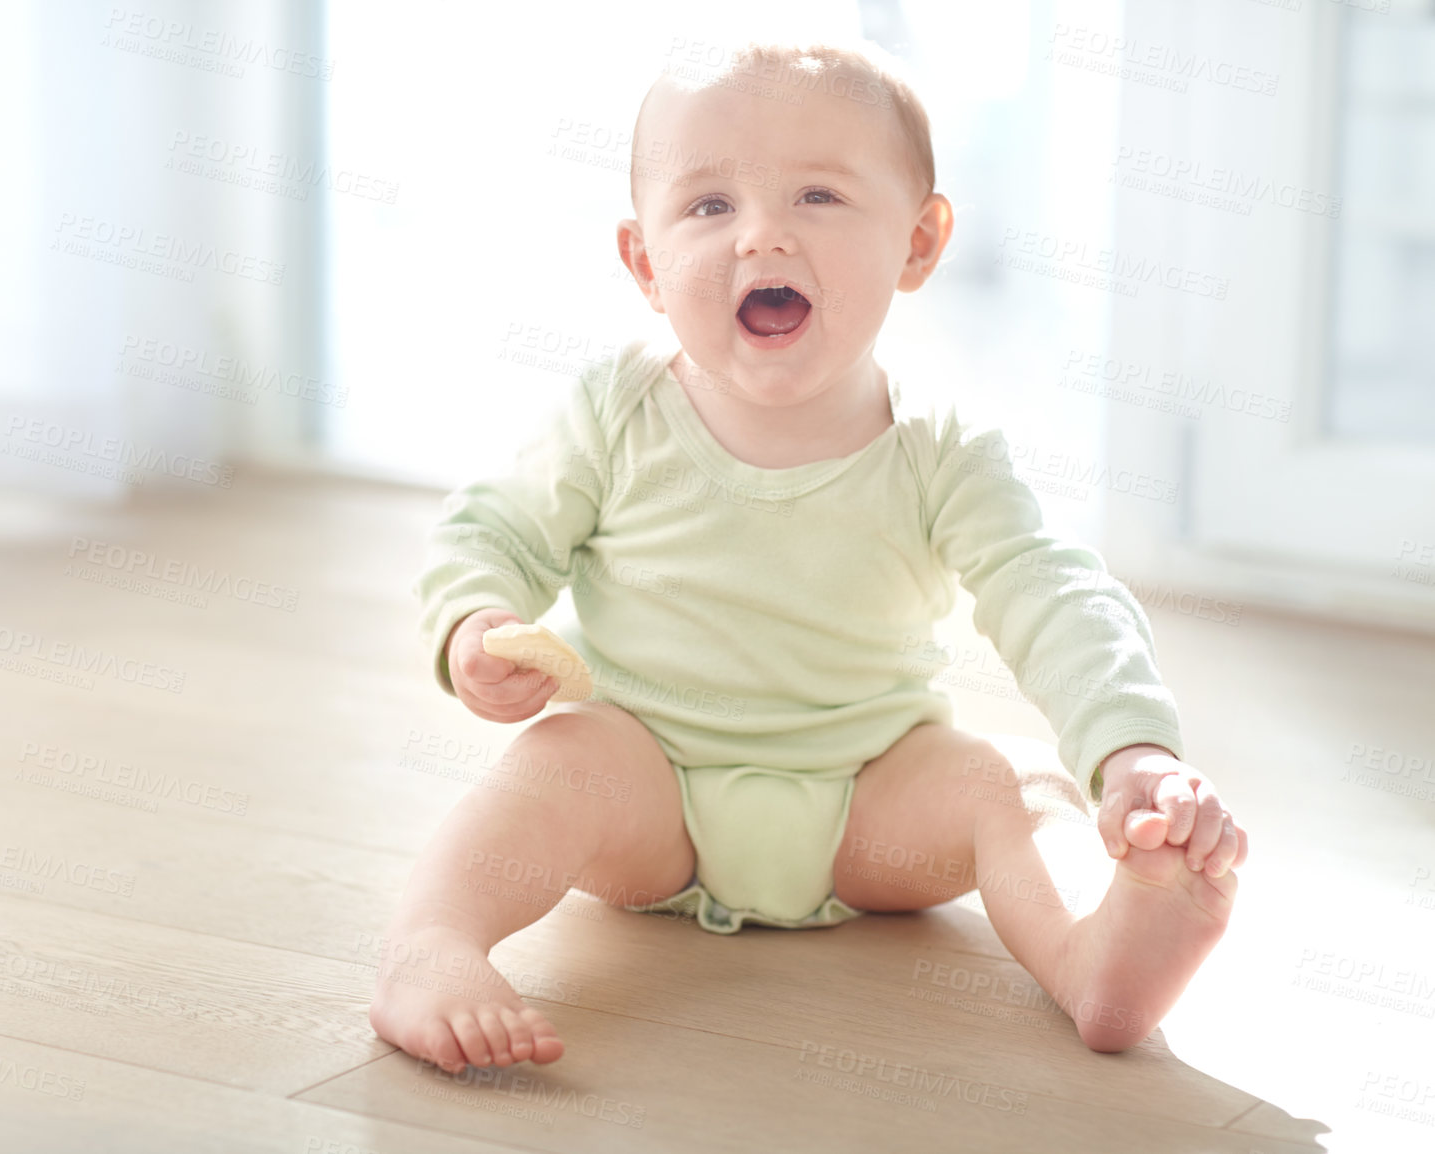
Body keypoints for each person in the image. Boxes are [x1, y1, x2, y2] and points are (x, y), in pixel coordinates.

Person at [370, 37, 1248, 1075]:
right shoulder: (615, 409)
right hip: (648, 789)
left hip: (869, 796)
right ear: (645, 263)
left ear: (918, 243)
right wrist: (474, 621)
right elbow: (495, 528)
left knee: (1007, 787)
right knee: (556, 763)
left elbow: (1050, 590)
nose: (760, 238)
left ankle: (1093, 953)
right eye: (707, 207)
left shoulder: (941, 445)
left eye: (818, 196)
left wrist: (1130, 751)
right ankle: (430, 943)